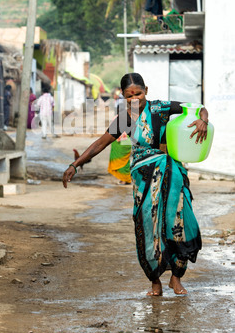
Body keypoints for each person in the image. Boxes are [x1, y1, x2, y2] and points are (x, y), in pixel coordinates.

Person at [63, 73, 209, 296]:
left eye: (138, 94)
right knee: (148, 227)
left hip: (171, 174)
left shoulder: (161, 108)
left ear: (146, 90)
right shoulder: (125, 119)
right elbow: (100, 144)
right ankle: (155, 282)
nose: (134, 99)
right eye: (129, 96)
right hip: (143, 180)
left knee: (176, 220)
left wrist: (203, 120)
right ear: (122, 96)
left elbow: (197, 108)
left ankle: (176, 278)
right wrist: (75, 164)